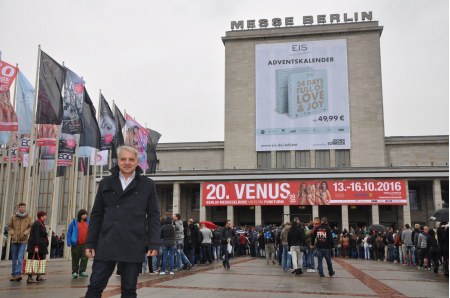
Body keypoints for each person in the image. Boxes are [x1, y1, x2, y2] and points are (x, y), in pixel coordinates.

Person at [84, 146, 160, 298]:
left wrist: (154, 243)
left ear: (137, 162)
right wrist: (90, 243)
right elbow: (97, 215)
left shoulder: (147, 184)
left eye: (131, 159)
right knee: (94, 287)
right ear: (117, 161)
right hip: (107, 241)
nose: (127, 162)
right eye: (123, 159)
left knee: (129, 290)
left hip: (133, 242)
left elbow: (153, 216)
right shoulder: (106, 182)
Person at [8, 202, 32, 282]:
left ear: (25, 208)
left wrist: (26, 233)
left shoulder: (28, 217)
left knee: (20, 257)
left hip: (23, 240)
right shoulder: (13, 217)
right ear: (18, 208)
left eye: (23, 207)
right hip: (15, 240)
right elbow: (10, 227)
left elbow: (30, 227)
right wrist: (12, 233)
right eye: (21, 207)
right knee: (14, 258)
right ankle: (13, 274)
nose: (22, 209)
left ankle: (18, 273)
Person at [26, 211, 49, 284]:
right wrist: (36, 246)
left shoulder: (41, 223)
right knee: (32, 261)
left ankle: (39, 276)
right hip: (36, 246)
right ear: (41, 216)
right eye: (44, 215)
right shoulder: (37, 223)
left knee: (40, 261)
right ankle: (30, 277)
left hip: (41, 246)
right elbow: (36, 235)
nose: (45, 217)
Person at [67, 209, 89, 279]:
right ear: (80, 215)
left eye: (86, 214)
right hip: (76, 244)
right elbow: (69, 232)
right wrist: (68, 241)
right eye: (84, 214)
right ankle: (75, 272)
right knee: (75, 258)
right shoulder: (74, 222)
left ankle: (82, 271)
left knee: (85, 258)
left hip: (85, 244)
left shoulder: (88, 222)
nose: (85, 216)